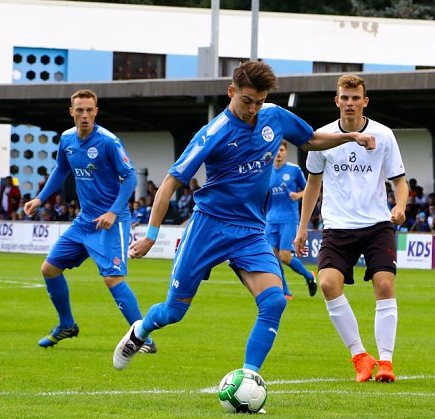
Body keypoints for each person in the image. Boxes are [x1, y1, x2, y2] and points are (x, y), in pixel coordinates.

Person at [112, 61, 376, 376]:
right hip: (208, 226)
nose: (253, 109)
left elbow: (311, 140)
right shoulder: (213, 133)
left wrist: (350, 137)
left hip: (250, 230)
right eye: (247, 101)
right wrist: (151, 235)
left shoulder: (274, 117)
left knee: (274, 302)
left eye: (259, 102)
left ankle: (249, 378)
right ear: (231, 91)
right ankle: (140, 331)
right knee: (174, 311)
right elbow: (170, 182)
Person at [294, 73, 409, 383]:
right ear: (337, 101)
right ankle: (360, 356)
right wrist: (303, 227)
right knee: (328, 284)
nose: (349, 103)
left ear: (364, 101)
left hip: (377, 224)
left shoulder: (384, 135)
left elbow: (399, 181)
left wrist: (400, 206)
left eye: (355, 98)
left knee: (384, 285)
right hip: (337, 226)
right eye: (344, 98)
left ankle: (386, 362)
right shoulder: (322, 137)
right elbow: (313, 183)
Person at [24, 89, 155, 353]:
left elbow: (130, 177)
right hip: (84, 221)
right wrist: (39, 199)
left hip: (112, 221)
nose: (84, 115)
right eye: (79, 110)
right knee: (49, 269)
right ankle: (66, 325)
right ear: (71, 112)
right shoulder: (66, 139)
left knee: (113, 278)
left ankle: (144, 339)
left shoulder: (108, 141)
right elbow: (61, 170)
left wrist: (113, 212)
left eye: (89, 110)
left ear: (96, 112)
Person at [264, 140, 318, 299]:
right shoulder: (267, 171)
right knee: (273, 257)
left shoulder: (294, 170)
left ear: (286, 152)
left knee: (285, 256)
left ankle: (309, 276)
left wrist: (298, 195)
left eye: (281, 150)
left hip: (289, 219)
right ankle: (285, 291)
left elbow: (309, 189)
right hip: (271, 219)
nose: (278, 153)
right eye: (276, 150)